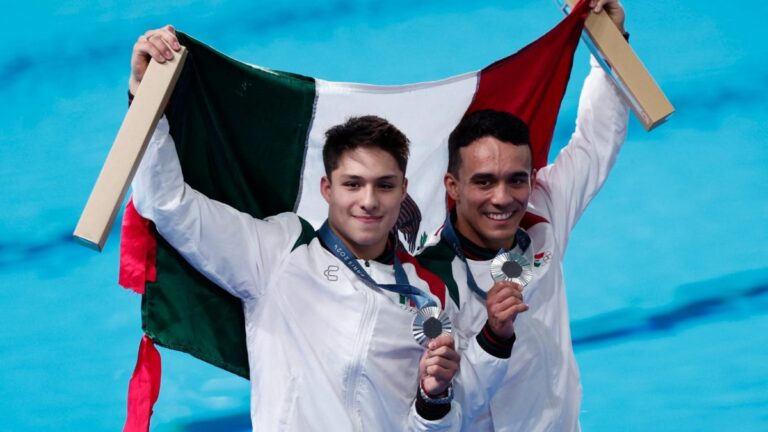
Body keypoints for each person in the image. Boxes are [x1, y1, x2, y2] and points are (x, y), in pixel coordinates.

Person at [129, 27, 525, 430]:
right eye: (353, 184)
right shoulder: (279, 254)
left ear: (403, 190)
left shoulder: (427, 295)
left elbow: (449, 420)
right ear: (327, 189)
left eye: (384, 186)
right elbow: (167, 203)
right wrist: (146, 99)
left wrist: (433, 397)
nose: (369, 201)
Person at [416, 0, 630, 430]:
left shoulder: (544, 214)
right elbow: (435, 417)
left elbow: (596, 141)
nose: (504, 198)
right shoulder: (429, 282)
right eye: (484, 181)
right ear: (452, 187)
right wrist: (493, 335)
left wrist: (611, 41)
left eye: (517, 179)